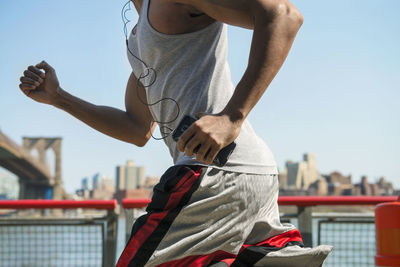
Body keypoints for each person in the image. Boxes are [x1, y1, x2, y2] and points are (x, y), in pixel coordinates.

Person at [19, 0, 332, 266]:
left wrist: (232, 117)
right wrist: (59, 98)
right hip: (242, 174)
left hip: (215, 173)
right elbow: (137, 128)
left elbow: (284, 16)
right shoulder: (140, 37)